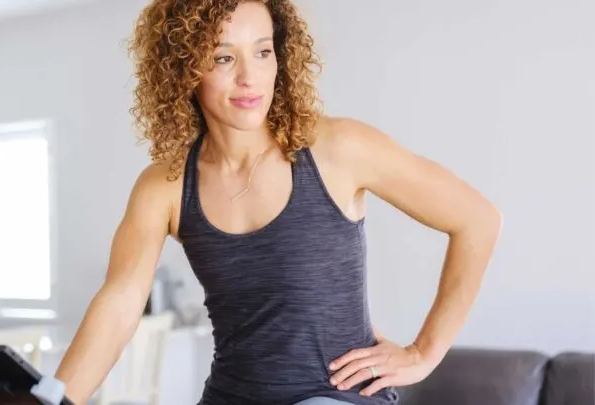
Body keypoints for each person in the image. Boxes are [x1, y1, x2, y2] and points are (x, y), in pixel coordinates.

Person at [53, 1, 503, 404]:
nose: (249, 76)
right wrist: (52, 399)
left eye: (263, 51)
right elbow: (120, 301)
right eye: (224, 57)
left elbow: (477, 220)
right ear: (185, 68)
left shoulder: (338, 148)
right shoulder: (165, 185)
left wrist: (423, 353)